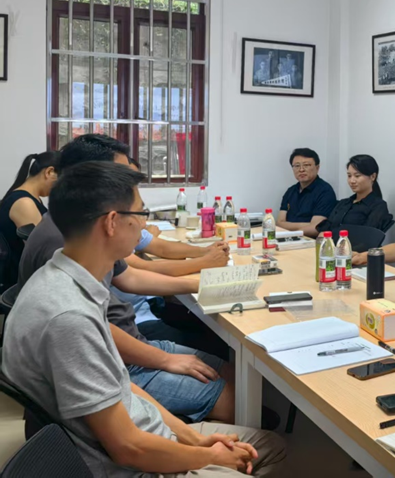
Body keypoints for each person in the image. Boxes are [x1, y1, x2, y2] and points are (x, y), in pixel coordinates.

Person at [2, 161, 290, 477]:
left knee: (271, 446)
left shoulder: (68, 279)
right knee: (265, 453)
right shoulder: (69, 317)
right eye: (141, 213)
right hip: (132, 464)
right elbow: (128, 448)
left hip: (145, 433)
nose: (145, 224)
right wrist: (208, 457)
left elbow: (120, 383)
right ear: (112, 222)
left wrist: (193, 438)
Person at [19, 134, 234, 422]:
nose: (143, 223)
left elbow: (130, 276)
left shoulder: (84, 229)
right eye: (120, 175)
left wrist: (202, 282)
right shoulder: (66, 242)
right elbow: (94, 330)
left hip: (129, 344)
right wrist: (166, 361)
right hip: (116, 362)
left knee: (234, 373)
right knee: (243, 399)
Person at [0, 151, 59, 282]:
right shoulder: (24, 203)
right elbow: (41, 252)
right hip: (19, 281)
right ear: (49, 172)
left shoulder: (31, 199)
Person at [316, 154, 392, 235]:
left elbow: (368, 236)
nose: (352, 181)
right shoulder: (343, 203)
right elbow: (326, 227)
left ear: (373, 176)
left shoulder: (378, 206)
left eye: (357, 176)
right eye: (349, 176)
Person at [277, 148, 337, 237]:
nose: (301, 169)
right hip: (288, 237)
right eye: (297, 166)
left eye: (306, 165)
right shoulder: (290, 191)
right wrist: (307, 224)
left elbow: (316, 228)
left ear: (317, 168)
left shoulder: (325, 191)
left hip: (310, 240)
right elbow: (279, 223)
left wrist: (289, 229)